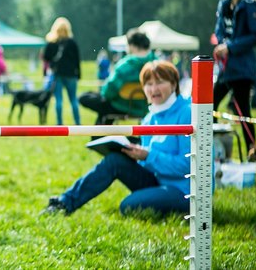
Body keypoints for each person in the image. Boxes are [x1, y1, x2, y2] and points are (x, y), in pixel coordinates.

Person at [41, 60, 191, 216]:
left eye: (160, 82)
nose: (153, 89)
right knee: (114, 161)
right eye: (148, 84)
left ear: (174, 84)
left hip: (184, 190)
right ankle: (64, 203)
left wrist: (148, 155)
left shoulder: (187, 113)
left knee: (128, 206)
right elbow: (149, 163)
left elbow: (188, 167)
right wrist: (133, 154)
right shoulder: (149, 118)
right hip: (157, 181)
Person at [212, 0, 256, 152]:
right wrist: (221, 45)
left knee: (242, 110)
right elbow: (219, 31)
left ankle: (252, 151)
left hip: (242, 68)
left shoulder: (249, 4)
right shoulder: (224, 4)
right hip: (226, 68)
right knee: (210, 103)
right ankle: (212, 148)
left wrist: (231, 47)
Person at [79, 29, 155, 125]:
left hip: (121, 106)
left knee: (86, 98)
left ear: (131, 45)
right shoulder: (157, 63)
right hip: (146, 107)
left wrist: (104, 93)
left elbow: (109, 91)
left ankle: (100, 138)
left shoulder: (125, 65)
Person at [42, 17, 81, 125]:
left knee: (58, 100)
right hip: (71, 75)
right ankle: (78, 123)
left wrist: (46, 71)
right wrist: (79, 74)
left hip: (57, 74)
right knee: (73, 99)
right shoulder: (72, 43)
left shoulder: (51, 43)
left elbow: (46, 58)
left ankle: (59, 124)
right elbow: (77, 60)